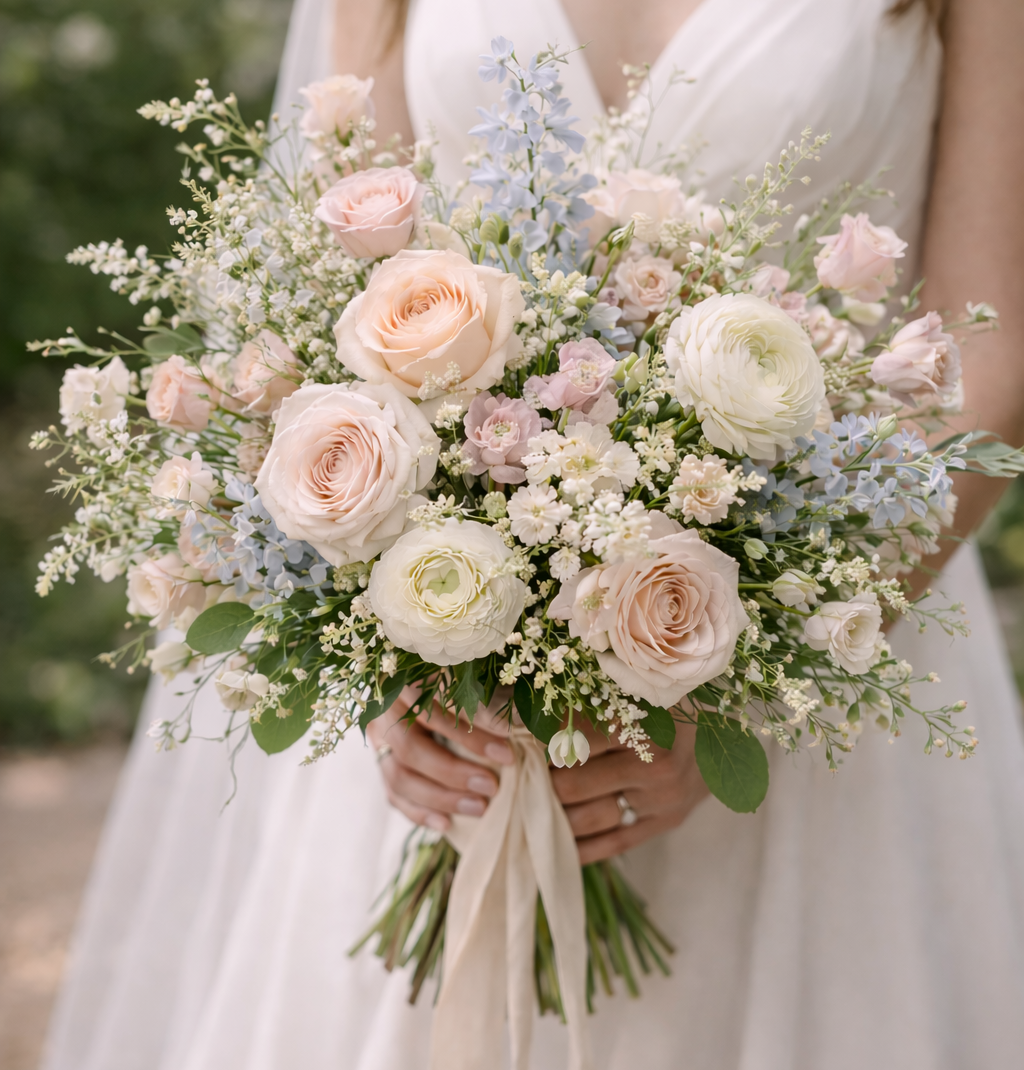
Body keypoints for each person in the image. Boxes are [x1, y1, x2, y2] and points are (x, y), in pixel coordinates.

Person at [43, 1, 1024, 1068]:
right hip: (450, 698)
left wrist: (761, 677)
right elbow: (325, 280)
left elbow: (992, 362)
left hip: (828, 673)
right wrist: (385, 671)